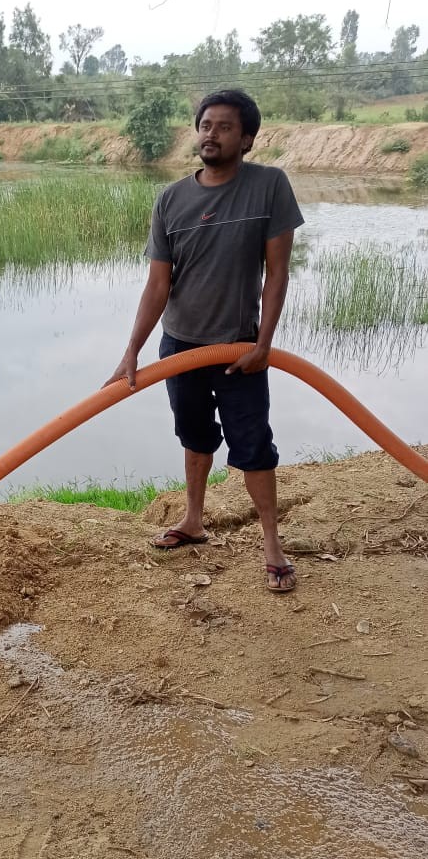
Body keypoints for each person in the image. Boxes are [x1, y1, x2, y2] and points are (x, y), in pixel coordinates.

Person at [103, 89, 304, 593]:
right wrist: (132, 351)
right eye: (206, 125)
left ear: (247, 139)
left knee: (254, 446)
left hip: (239, 350)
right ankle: (193, 520)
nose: (211, 134)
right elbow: (158, 285)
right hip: (179, 348)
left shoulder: (269, 187)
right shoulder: (171, 199)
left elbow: (277, 275)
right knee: (193, 435)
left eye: (225, 127)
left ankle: (273, 546)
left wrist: (263, 344)